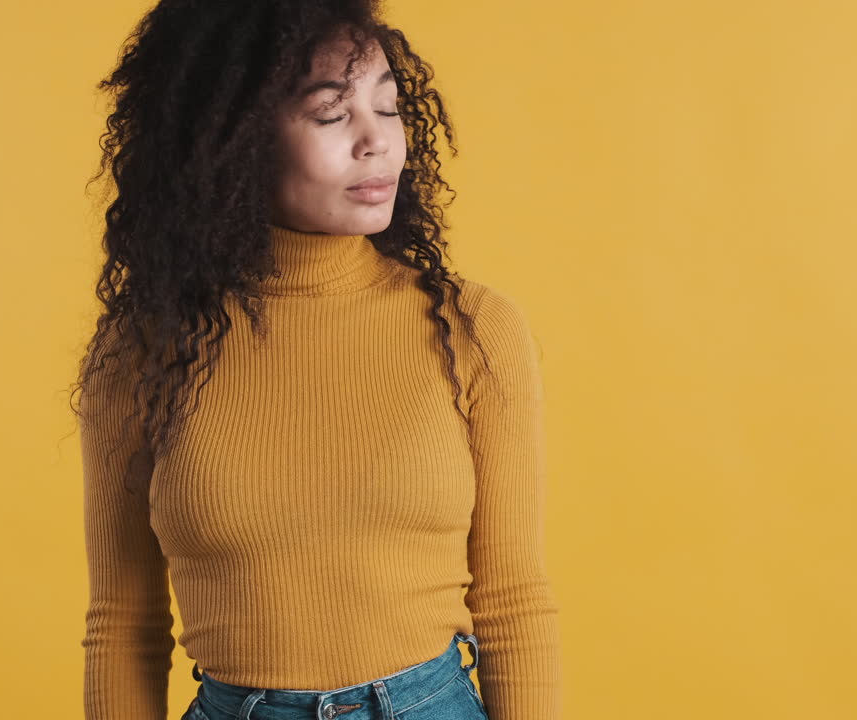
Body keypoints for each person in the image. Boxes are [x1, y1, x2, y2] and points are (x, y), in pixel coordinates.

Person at [71, 2, 561, 719]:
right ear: (234, 138)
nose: (379, 143)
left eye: (389, 107)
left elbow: (515, 601)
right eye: (334, 115)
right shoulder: (141, 353)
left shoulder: (472, 328)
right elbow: (122, 624)